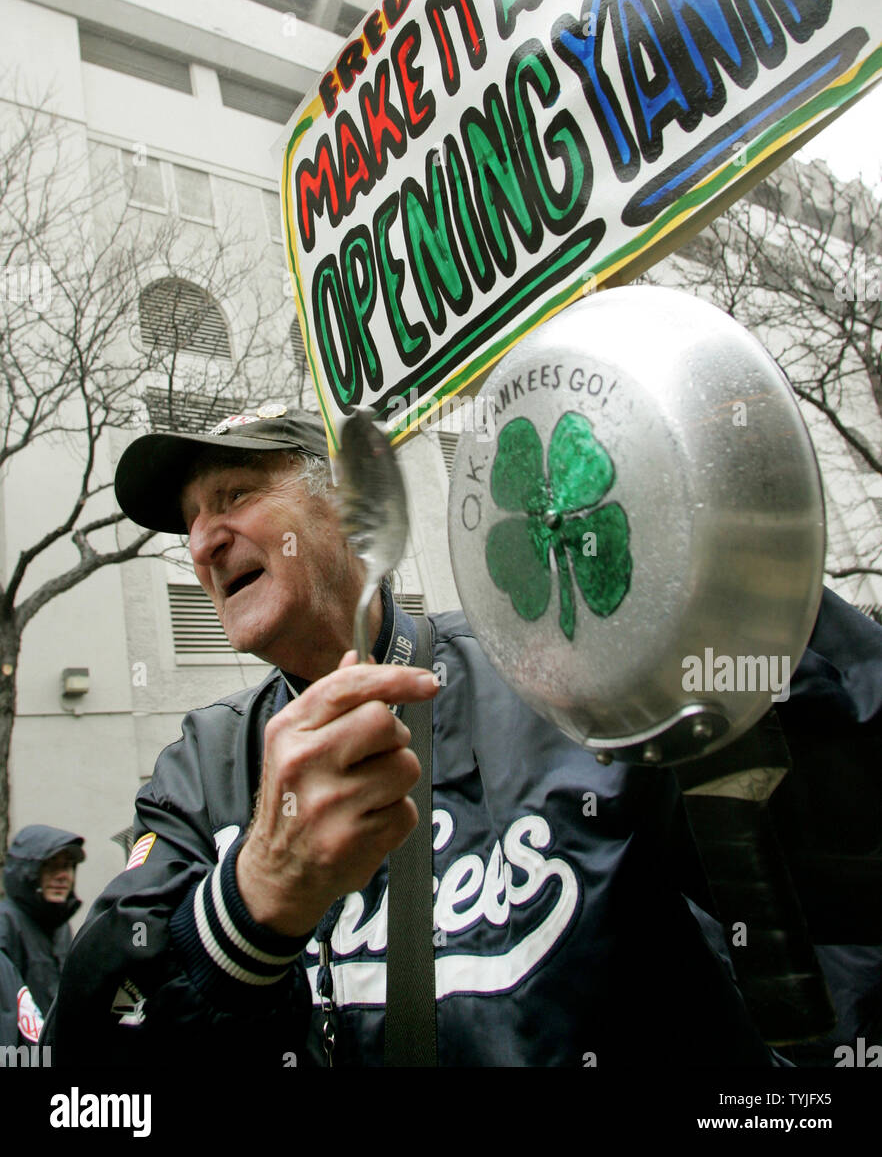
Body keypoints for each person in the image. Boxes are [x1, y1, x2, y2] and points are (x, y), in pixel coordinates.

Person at [44, 405, 881, 1068]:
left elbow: (829, 860)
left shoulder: (554, 670)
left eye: (232, 497)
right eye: (189, 522)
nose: (200, 542)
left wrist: (714, 573)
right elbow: (89, 1054)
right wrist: (249, 903)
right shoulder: (201, 765)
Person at [0, 826, 85, 1021]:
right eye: (51, 865)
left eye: (67, 866)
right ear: (26, 871)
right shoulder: (6, 924)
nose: (63, 876)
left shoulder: (61, 926)